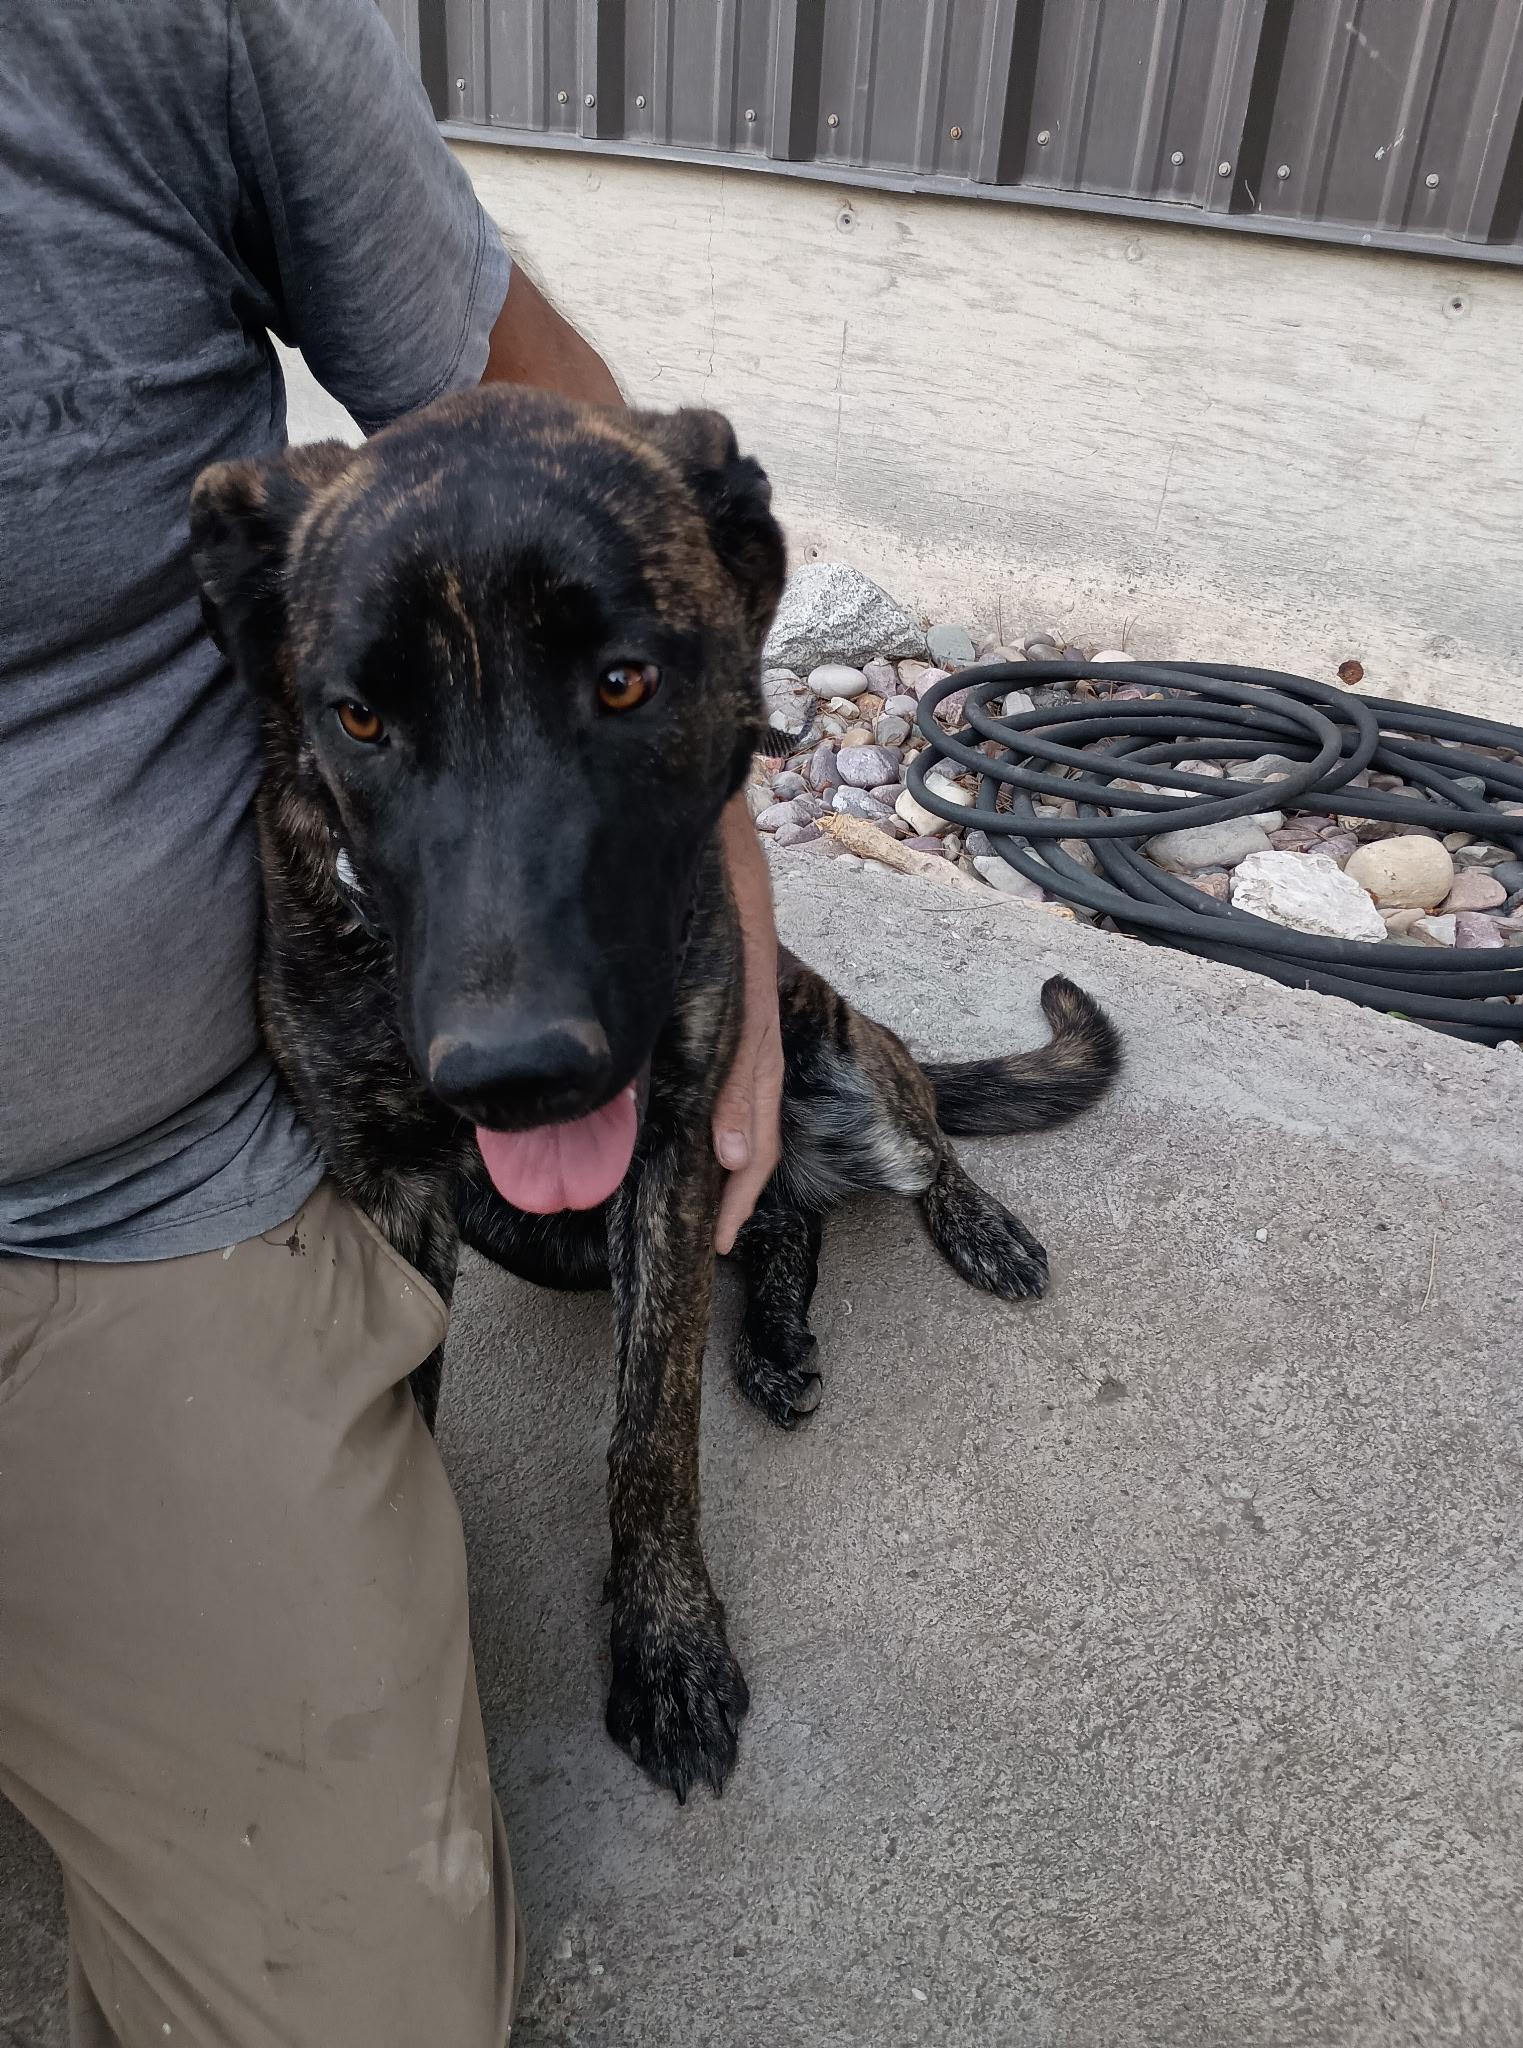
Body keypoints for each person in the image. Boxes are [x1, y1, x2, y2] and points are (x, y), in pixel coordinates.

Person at [0, 3, 782, 2041]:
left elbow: (589, 475)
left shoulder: (149, 34)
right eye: (362, 716)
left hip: (116, 1208)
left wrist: (734, 910)